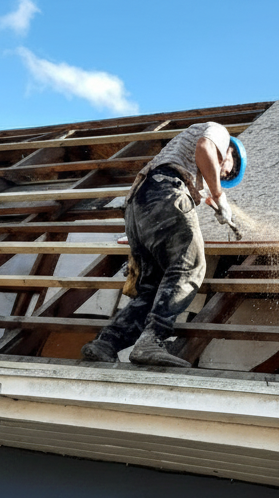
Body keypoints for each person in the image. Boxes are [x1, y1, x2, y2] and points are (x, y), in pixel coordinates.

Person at [81, 122, 245, 368]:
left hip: (138, 207)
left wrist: (217, 206)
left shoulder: (179, 155)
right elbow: (205, 148)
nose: (224, 176)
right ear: (231, 153)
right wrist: (220, 196)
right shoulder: (220, 132)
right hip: (164, 191)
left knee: (153, 287)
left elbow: (199, 175)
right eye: (229, 173)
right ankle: (152, 340)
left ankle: (106, 343)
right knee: (190, 266)